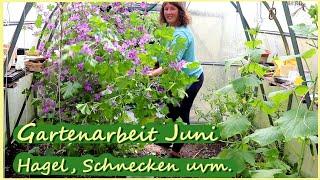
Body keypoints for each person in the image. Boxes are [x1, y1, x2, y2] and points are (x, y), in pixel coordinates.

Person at [147, 2, 204, 158]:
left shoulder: (181, 34)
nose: (168, 12)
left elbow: (172, 63)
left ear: (180, 11)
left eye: (173, 8)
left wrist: (151, 74)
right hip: (176, 80)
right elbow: (162, 54)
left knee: (181, 115)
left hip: (191, 79)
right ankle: (165, 141)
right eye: (166, 9)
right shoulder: (168, 30)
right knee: (170, 111)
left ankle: (176, 151)